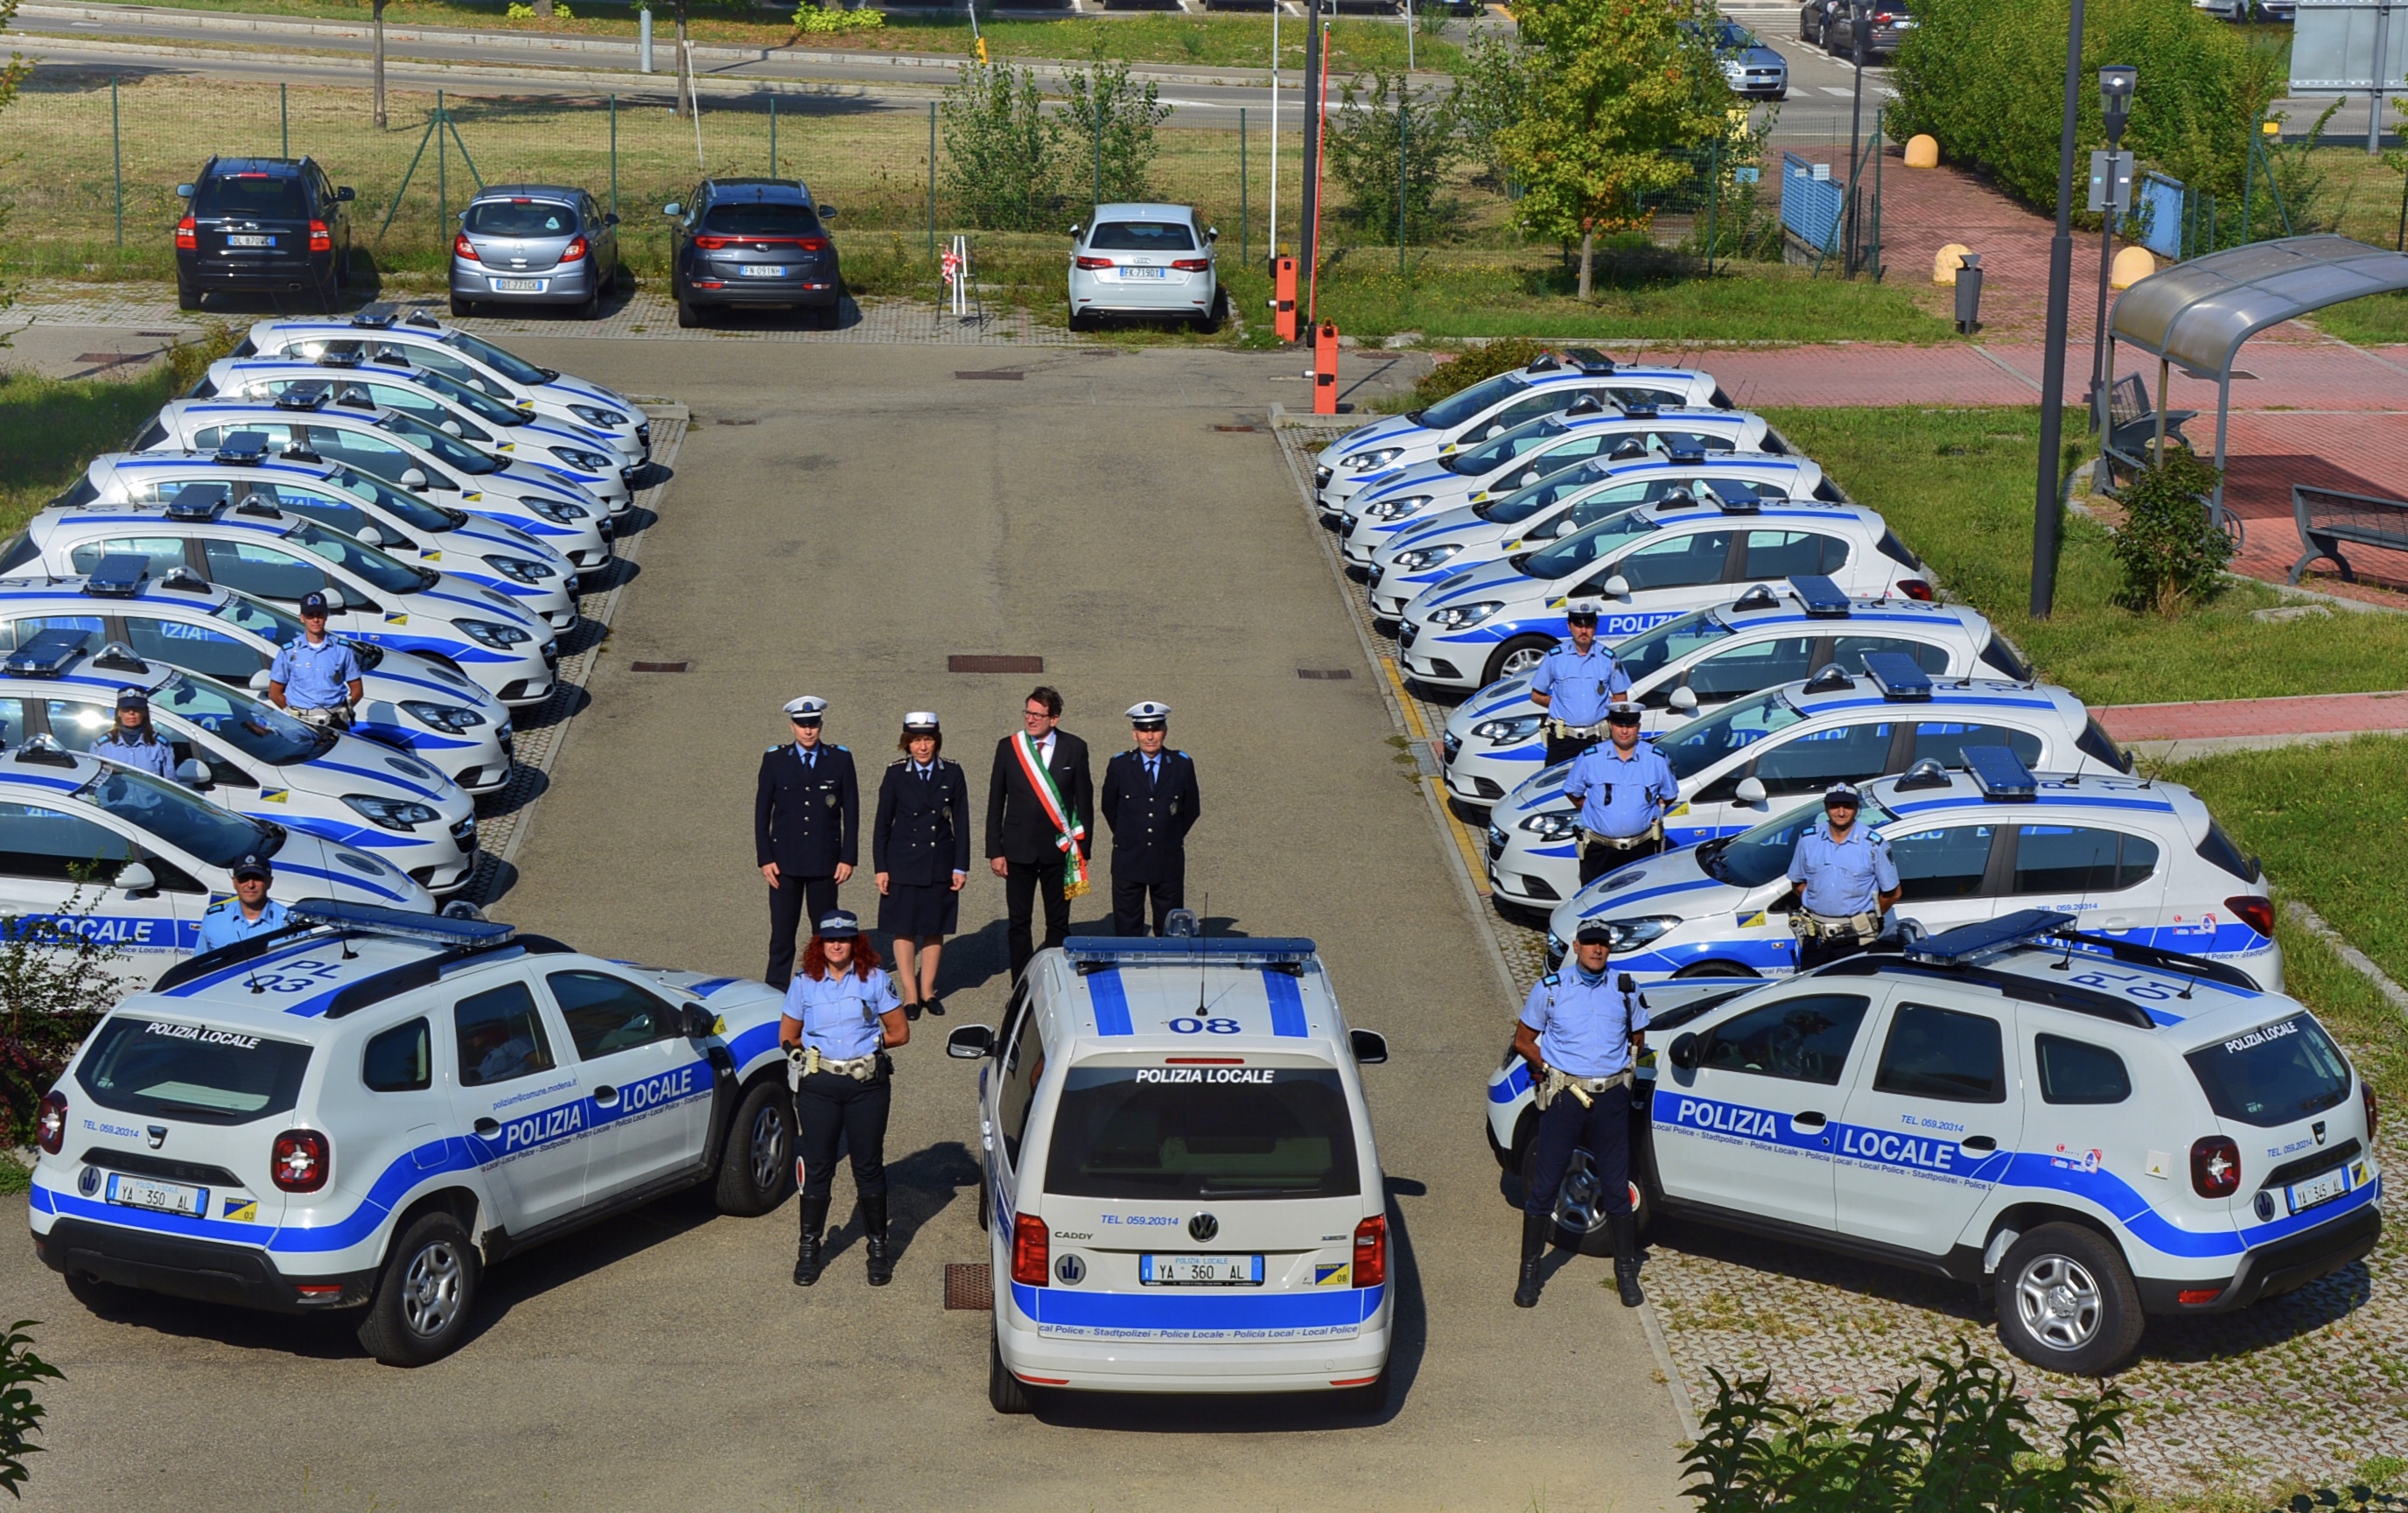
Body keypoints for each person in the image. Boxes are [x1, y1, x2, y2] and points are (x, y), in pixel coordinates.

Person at [1513, 917, 1648, 1310]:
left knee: (1617, 1186)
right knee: (1545, 1185)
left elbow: (1637, 1038)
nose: (1597, 949)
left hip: (1610, 1098)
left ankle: (1625, 1273)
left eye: (1602, 943)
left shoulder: (1626, 989)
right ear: (1576, 947)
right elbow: (1523, 1040)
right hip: (1564, 1097)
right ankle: (1529, 1273)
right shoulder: (1551, 989)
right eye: (1589, 943)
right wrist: (1549, 1067)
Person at [780, 910, 908, 1288]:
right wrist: (807, 1055)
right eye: (830, 939)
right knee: (819, 1166)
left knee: (867, 1166)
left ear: (856, 943)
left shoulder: (876, 979)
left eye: (844, 939)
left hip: (865, 1084)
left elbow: (900, 1032)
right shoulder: (804, 983)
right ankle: (809, 1250)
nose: (837, 945)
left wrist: (867, 1046)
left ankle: (878, 1249)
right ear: (820, 943)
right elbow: (788, 1035)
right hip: (819, 1086)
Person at [986, 685, 1093, 980]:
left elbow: (1084, 801)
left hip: (1058, 849)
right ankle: (1021, 984)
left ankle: (1055, 981)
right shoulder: (1009, 747)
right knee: (1019, 922)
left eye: (1038, 714)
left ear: (1054, 719)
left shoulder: (1075, 748)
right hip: (1017, 848)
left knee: (1057, 922)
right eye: (1028, 712)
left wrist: (1083, 849)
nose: (1031, 719)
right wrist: (995, 850)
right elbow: (996, 800)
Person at [755, 695, 859, 991]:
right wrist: (765, 858)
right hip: (784, 863)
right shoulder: (775, 760)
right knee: (782, 934)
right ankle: (776, 989)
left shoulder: (840, 759)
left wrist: (848, 857)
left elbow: (851, 812)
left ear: (821, 725)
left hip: (825, 862)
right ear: (792, 727)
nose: (808, 731)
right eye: (802, 725)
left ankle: (822, 986)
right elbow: (762, 812)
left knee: (823, 931)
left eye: (813, 724)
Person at [872, 712, 970, 1019]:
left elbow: (962, 823)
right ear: (907, 744)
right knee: (903, 928)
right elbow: (882, 824)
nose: (923, 747)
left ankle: (928, 990)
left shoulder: (952, 772)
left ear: (936, 741)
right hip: (902, 862)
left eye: (928, 740)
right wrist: (881, 867)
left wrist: (960, 866)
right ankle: (910, 994)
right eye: (916, 741)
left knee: (933, 927)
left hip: (939, 861)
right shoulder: (896, 774)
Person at [1098, 700, 1200, 937]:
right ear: (1134, 734)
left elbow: (1191, 809)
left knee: (1169, 931)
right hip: (1129, 858)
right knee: (1127, 929)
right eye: (1144, 731)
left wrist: (1169, 835)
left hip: (1167, 859)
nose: (1150, 737)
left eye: (1155, 729)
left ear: (1165, 731)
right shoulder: (1120, 765)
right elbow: (1109, 807)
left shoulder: (1181, 765)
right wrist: (1130, 835)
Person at [1785, 781, 1900, 970]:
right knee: (1811, 986)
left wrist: (1868, 919)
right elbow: (1797, 882)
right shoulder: (1808, 840)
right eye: (1835, 806)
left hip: (1857, 940)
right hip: (1816, 939)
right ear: (1826, 807)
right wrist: (1819, 902)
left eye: (1847, 806)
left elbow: (1893, 893)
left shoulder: (1873, 844)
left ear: (1856, 807)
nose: (1841, 812)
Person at [1562, 701, 1680, 885]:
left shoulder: (1656, 759)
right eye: (1619, 725)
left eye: (1630, 726)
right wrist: (1596, 812)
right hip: (1600, 851)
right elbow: (1573, 792)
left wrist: (1646, 813)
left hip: (1642, 848)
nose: (1624, 731)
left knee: (1640, 898)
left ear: (1638, 727)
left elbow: (1669, 795)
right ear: (1610, 725)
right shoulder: (1590, 758)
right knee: (1595, 898)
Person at [1528, 600, 1630, 767]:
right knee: (1556, 782)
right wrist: (1560, 705)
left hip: (1598, 739)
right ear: (1569, 626)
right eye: (1578, 625)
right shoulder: (1555, 657)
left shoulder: (1609, 658)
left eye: (1588, 625)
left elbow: (1621, 698)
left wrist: (1599, 706)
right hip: (1563, 741)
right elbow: (1536, 695)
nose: (1583, 631)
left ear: (1595, 626)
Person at [267, 592, 364, 729]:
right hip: (301, 723)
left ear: (326, 616)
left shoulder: (342, 649)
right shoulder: (289, 651)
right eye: (310, 615)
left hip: (335, 721)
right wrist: (290, 712)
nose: (315, 620)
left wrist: (344, 711)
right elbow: (274, 693)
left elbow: (357, 690)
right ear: (302, 618)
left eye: (320, 615)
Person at [193, 853, 290, 953]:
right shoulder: (214, 919)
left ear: (269, 882)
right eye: (244, 878)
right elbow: (201, 961)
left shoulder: (287, 922)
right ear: (234, 882)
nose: (250, 885)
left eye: (257, 878)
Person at [90, 687, 178, 781]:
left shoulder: (160, 745)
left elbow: (171, 781)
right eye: (126, 709)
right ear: (119, 713)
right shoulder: (101, 746)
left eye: (136, 709)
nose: (131, 712)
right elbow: (91, 779)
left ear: (145, 712)